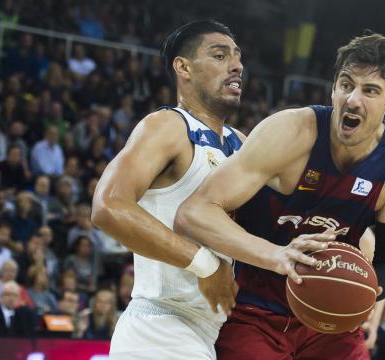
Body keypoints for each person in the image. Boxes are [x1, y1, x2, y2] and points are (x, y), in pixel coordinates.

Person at [176, 32, 385, 359]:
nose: (352, 100)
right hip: (255, 310)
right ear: (333, 87)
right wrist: (277, 256)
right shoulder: (291, 131)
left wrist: (361, 289)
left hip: (329, 323)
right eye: (346, 84)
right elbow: (193, 213)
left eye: (370, 91)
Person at [91, 20, 280, 359]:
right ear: (183, 67)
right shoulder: (168, 126)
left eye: (237, 58)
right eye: (220, 56)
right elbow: (107, 206)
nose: (236, 66)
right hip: (162, 328)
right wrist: (205, 265)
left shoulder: (243, 144)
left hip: (218, 331)